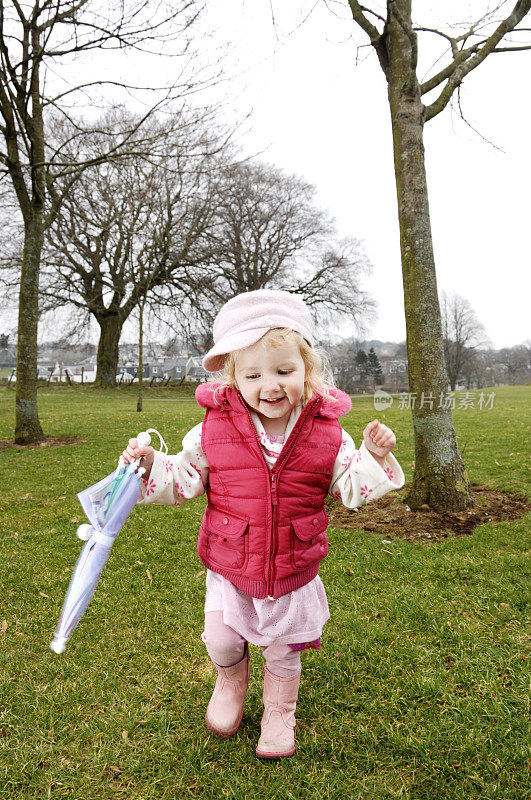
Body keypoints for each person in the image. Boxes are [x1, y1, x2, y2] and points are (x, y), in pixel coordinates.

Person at [121, 289, 405, 759]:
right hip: (231, 564)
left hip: (291, 569)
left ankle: (279, 711)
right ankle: (230, 677)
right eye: (253, 374)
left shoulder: (326, 433)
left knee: (283, 650)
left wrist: (373, 457)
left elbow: (352, 487)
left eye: (283, 371)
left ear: (307, 370)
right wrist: (152, 464)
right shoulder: (213, 429)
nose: (269, 386)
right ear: (234, 376)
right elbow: (183, 478)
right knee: (222, 637)